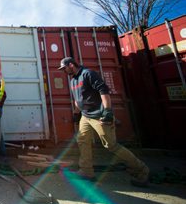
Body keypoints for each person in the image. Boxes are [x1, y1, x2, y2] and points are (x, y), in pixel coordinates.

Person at [58, 57, 149, 187]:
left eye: (64, 68)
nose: (63, 71)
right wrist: (76, 113)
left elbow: (103, 90)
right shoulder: (73, 80)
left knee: (110, 145)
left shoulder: (88, 74)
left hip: (99, 115)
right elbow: (77, 99)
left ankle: (142, 170)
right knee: (83, 140)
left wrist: (107, 111)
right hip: (85, 116)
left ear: (71, 65)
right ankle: (86, 171)